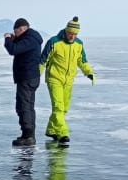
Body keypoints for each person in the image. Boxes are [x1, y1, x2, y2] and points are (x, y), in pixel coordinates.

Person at [40, 16, 95, 147]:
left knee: (64, 109)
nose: (72, 36)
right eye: (70, 33)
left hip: (69, 80)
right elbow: (43, 60)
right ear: (66, 31)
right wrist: (36, 75)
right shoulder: (54, 42)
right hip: (54, 79)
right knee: (58, 107)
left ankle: (51, 130)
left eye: (75, 34)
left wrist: (89, 73)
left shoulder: (79, 44)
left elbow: (82, 61)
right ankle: (63, 133)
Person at [3, 17, 44, 146]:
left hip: (27, 78)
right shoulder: (31, 38)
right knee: (28, 106)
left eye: (16, 32)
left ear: (22, 29)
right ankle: (28, 134)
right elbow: (19, 47)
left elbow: (13, 50)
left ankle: (28, 136)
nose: (15, 34)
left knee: (23, 106)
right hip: (30, 77)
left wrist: (8, 39)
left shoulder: (30, 38)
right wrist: (14, 39)